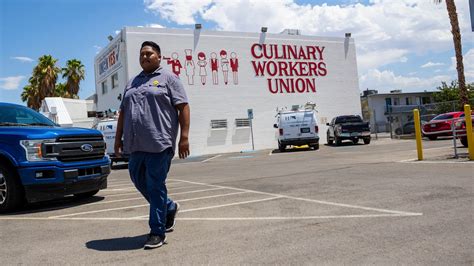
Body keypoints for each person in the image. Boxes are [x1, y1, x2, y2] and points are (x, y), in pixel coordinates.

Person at [114, 41, 190, 250]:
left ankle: (157, 232)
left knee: (155, 186)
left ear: (159, 56)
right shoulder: (132, 82)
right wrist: (117, 139)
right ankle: (169, 207)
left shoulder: (169, 79)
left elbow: (183, 107)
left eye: (149, 53)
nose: (145, 57)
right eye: (142, 54)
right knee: (138, 179)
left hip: (159, 142)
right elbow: (123, 113)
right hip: (136, 144)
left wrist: (184, 137)